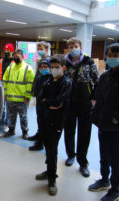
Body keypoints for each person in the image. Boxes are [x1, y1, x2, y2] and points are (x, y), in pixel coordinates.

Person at [88, 43, 119, 201]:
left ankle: (115, 189)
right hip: (102, 123)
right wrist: (95, 115)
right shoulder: (105, 75)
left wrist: (115, 118)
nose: (111, 58)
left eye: (115, 56)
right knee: (103, 154)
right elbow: (97, 96)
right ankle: (105, 180)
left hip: (116, 125)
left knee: (114, 157)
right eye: (109, 55)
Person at [35, 55, 72, 196]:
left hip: (57, 121)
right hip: (45, 118)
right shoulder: (48, 81)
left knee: (52, 148)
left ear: (63, 67)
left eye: (57, 67)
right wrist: (49, 103)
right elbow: (40, 98)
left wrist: (48, 101)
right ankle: (49, 170)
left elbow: (59, 101)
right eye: (53, 67)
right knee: (48, 147)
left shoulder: (66, 83)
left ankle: (52, 178)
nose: (54, 69)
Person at [63, 37, 99, 177]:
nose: (73, 48)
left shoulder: (88, 62)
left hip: (85, 103)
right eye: (70, 46)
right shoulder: (64, 63)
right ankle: (70, 155)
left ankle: (83, 162)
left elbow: (97, 81)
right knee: (69, 130)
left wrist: (94, 99)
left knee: (84, 133)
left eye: (75, 46)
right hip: (69, 103)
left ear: (81, 47)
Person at [2, 49, 35, 139]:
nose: (16, 58)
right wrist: (4, 94)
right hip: (10, 98)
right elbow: (5, 81)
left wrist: (27, 96)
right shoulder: (10, 67)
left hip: (22, 99)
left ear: (23, 57)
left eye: (18, 57)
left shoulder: (28, 69)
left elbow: (30, 84)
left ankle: (25, 132)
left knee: (23, 116)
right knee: (11, 116)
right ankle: (11, 130)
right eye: (15, 56)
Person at [28, 41, 51, 147]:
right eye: (38, 49)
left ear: (47, 49)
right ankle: (39, 135)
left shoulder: (49, 61)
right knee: (39, 118)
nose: (39, 51)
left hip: (45, 96)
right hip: (39, 95)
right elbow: (38, 78)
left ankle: (41, 141)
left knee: (44, 120)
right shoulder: (40, 61)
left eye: (41, 48)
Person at [0, 43, 14, 135]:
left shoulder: (15, 62)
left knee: (9, 107)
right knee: (1, 107)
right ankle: (1, 123)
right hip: (0, 86)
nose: (6, 52)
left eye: (8, 50)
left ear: (12, 51)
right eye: (5, 50)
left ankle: (7, 124)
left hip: (10, 87)